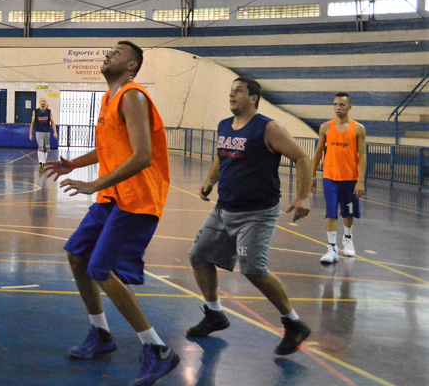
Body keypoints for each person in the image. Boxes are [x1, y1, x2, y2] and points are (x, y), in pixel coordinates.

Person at [43, 41, 180, 386]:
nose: (108, 54)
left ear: (132, 66)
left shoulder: (133, 95)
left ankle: (159, 349)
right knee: (77, 256)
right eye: (109, 51)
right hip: (112, 197)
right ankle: (102, 335)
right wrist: (74, 163)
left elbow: (143, 155)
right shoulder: (109, 99)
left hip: (137, 198)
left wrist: (94, 183)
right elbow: (109, 148)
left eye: (117, 53)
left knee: (99, 268)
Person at [187, 76, 313, 355]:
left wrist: (304, 195)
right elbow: (222, 155)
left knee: (254, 269)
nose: (232, 95)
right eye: (230, 90)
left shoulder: (268, 128)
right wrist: (210, 181)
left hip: (256, 213)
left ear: (253, 98)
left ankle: (294, 323)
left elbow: (302, 158)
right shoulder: (224, 126)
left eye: (239, 91)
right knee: (198, 257)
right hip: (224, 208)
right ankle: (214, 313)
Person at [310, 92, 367, 263]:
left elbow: (363, 155)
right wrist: (312, 175)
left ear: (350, 107)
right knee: (331, 211)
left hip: (350, 178)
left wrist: (361, 180)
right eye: (335, 104)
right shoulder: (326, 127)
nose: (338, 108)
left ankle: (347, 240)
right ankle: (332, 248)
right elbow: (318, 152)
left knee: (348, 211)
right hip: (330, 177)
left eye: (342, 105)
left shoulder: (358, 128)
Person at [29, 98, 58, 171]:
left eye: (44, 101)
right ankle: (40, 162)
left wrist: (55, 132)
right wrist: (30, 133)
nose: (43, 102)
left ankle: (43, 162)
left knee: (46, 149)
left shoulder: (49, 112)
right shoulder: (35, 112)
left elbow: (53, 122)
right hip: (39, 131)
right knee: (40, 147)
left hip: (47, 132)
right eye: (42, 101)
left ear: (46, 103)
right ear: (39, 102)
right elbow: (32, 123)